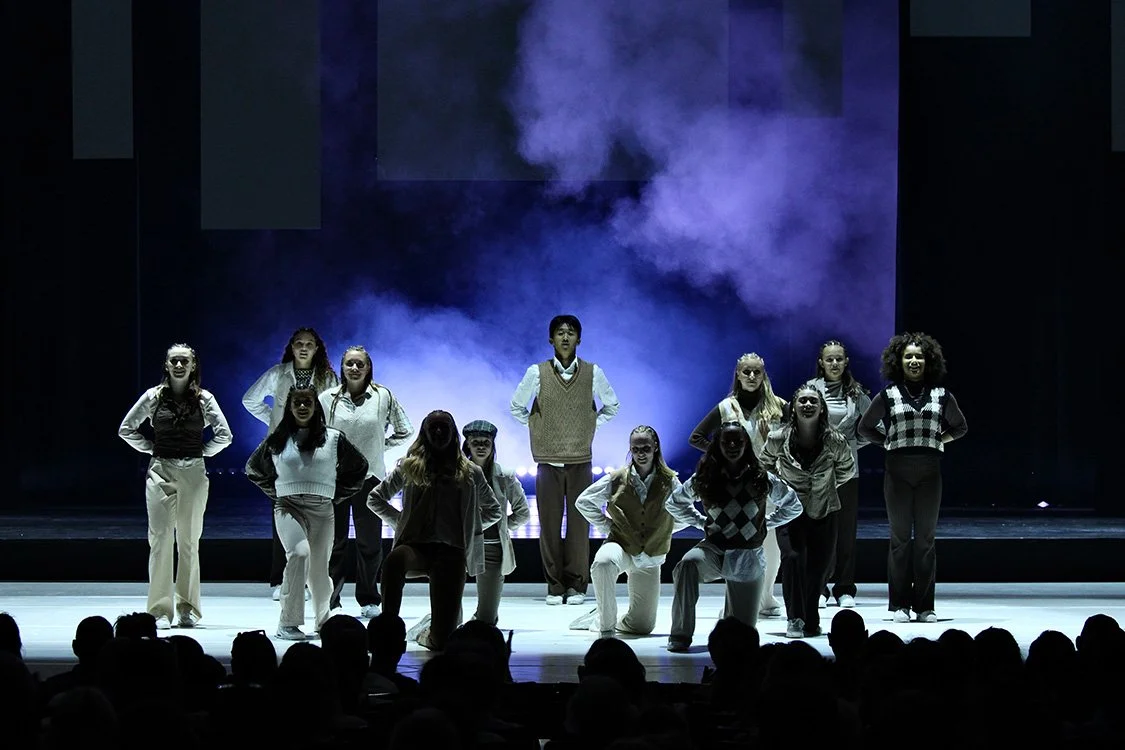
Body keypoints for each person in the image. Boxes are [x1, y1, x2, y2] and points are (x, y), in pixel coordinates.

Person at [367, 410, 502, 651]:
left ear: (452, 433)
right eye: (434, 428)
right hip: (416, 547)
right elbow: (375, 498)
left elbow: (494, 510)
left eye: (444, 427)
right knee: (394, 560)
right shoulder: (409, 468)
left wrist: (470, 527)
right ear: (425, 433)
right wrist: (399, 521)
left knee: (441, 641)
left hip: (451, 552)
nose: (439, 432)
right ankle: (389, 627)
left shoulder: (470, 472)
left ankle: (424, 633)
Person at [118, 343, 232, 629]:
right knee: (159, 539)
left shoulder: (204, 399)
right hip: (161, 471)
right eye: (174, 361)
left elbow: (225, 434)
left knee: (189, 541)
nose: (179, 366)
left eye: (184, 361)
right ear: (166, 365)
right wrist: (150, 448)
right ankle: (159, 609)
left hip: (193, 472)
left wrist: (203, 451)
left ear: (193, 365)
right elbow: (126, 428)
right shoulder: (153, 397)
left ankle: (187, 607)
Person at [509, 314, 620, 606]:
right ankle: (555, 585)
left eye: (571, 332)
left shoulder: (593, 372)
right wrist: (538, 428)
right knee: (548, 524)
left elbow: (612, 405)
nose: (566, 337)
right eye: (560, 332)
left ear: (579, 339)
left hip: (580, 460)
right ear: (551, 339)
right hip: (548, 461)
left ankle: (577, 585)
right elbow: (517, 407)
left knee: (579, 526)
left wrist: (590, 425)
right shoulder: (538, 372)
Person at [858, 332, 967, 623]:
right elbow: (865, 427)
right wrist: (888, 441)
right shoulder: (888, 395)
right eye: (909, 356)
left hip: (930, 472)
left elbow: (960, 427)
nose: (914, 361)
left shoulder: (941, 395)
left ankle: (925, 606)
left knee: (926, 541)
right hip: (897, 472)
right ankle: (899, 606)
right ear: (899, 361)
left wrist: (937, 439)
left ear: (928, 360)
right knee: (900, 540)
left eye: (919, 356)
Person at [664, 422, 802, 652]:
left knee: (742, 637)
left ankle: (728, 616)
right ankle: (680, 634)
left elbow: (793, 505)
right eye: (726, 441)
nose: (732, 445)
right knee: (687, 565)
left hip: (748, 556)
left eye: (738, 441)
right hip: (714, 551)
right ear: (717, 445)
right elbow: (674, 502)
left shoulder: (761, 477)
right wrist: (700, 522)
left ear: (746, 444)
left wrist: (766, 524)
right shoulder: (706, 476)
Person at [245, 386, 369, 639]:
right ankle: (287, 623)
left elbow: (360, 468)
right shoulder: (278, 439)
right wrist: (279, 491)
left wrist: (335, 493)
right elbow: (253, 469)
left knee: (319, 572)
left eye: (307, 402)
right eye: (297, 403)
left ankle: (324, 623)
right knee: (299, 554)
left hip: (322, 509)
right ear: (290, 407)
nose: (302, 407)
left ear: (315, 406)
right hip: (288, 507)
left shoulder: (334, 438)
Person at [405, 419, 532, 640]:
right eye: (475, 442)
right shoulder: (456, 473)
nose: (481, 446)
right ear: (467, 445)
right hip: (459, 547)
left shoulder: (505, 476)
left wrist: (501, 528)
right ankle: (432, 627)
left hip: (491, 550)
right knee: (451, 621)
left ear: (493, 445)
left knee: (487, 621)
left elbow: (523, 513)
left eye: (486, 442)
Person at [242, 326, 339, 600]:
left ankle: (313, 579)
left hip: (315, 447)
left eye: (309, 343)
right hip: (283, 448)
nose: (304, 348)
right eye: (299, 343)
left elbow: (333, 409)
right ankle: (279, 579)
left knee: (314, 511)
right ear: (292, 347)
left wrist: (324, 432)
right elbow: (250, 399)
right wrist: (275, 421)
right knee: (282, 511)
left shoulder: (327, 377)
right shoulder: (277, 373)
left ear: (317, 348)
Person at [688, 352, 787, 618]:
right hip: (733, 486)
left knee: (769, 543)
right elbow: (695, 436)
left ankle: (765, 596)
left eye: (757, 372)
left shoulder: (778, 406)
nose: (752, 376)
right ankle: (736, 600)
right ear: (738, 374)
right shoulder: (726, 407)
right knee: (737, 542)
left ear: (764, 375)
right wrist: (719, 455)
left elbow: (797, 433)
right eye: (747, 372)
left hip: (764, 482)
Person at [320, 345, 414, 619]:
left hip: (370, 478)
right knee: (334, 542)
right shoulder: (328, 399)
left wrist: (378, 447)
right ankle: (331, 599)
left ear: (368, 367)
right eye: (350, 363)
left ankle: (369, 599)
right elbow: (318, 434)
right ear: (342, 367)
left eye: (360, 363)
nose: (355, 368)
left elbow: (405, 429)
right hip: (335, 479)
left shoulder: (382, 396)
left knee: (369, 543)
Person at [570, 425, 682, 638]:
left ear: (655, 447)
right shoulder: (617, 478)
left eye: (645, 448)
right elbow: (583, 502)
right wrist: (608, 525)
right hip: (621, 545)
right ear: (630, 449)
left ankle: (600, 616)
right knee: (603, 564)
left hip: (650, 554)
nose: (641, 453)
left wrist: (664, 529)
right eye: (636, 448)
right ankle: (605, 623)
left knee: (642, 626)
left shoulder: (669, 480)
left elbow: (685, 512)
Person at [760, 386, 855, 638]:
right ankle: (795, 618)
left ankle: (810, 616)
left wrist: (827, 485)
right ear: (794, 407)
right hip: (789, 511)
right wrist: (777, 487)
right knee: (792, 559)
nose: (808, 405)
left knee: (818, 567)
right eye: (802, 400)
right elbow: (763, 465)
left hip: (824, 509)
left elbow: (847, 468)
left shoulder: (835, 440)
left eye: (813, 401)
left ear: (821, 407)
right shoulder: (778, 437)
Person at [805, 339, 872, 608]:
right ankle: (819, 586)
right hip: (818, 470)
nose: (834, 363)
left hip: (847, 471)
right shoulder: (810, 390)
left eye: (839, 359)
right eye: (829, 359)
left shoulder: (856, 394)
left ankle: (844, 587)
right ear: (821, 362)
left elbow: (872, 427)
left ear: (846, 362)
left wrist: (852, 444)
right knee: (819, 530)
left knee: (846, 531)